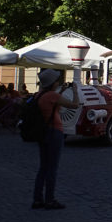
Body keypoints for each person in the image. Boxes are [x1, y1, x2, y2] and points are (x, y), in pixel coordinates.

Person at [33, 69, 80, 210]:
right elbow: (74, 105)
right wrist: (76, 91)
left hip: (42, 132)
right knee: (52, 168)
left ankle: (37, 199)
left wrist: (61, 91)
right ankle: (50, 200)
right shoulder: (52, 96)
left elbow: (52, 103)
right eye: (57, 80)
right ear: (53, 83)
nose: (58, 82)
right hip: (54, 131)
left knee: (43, 167)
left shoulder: (39, 95)